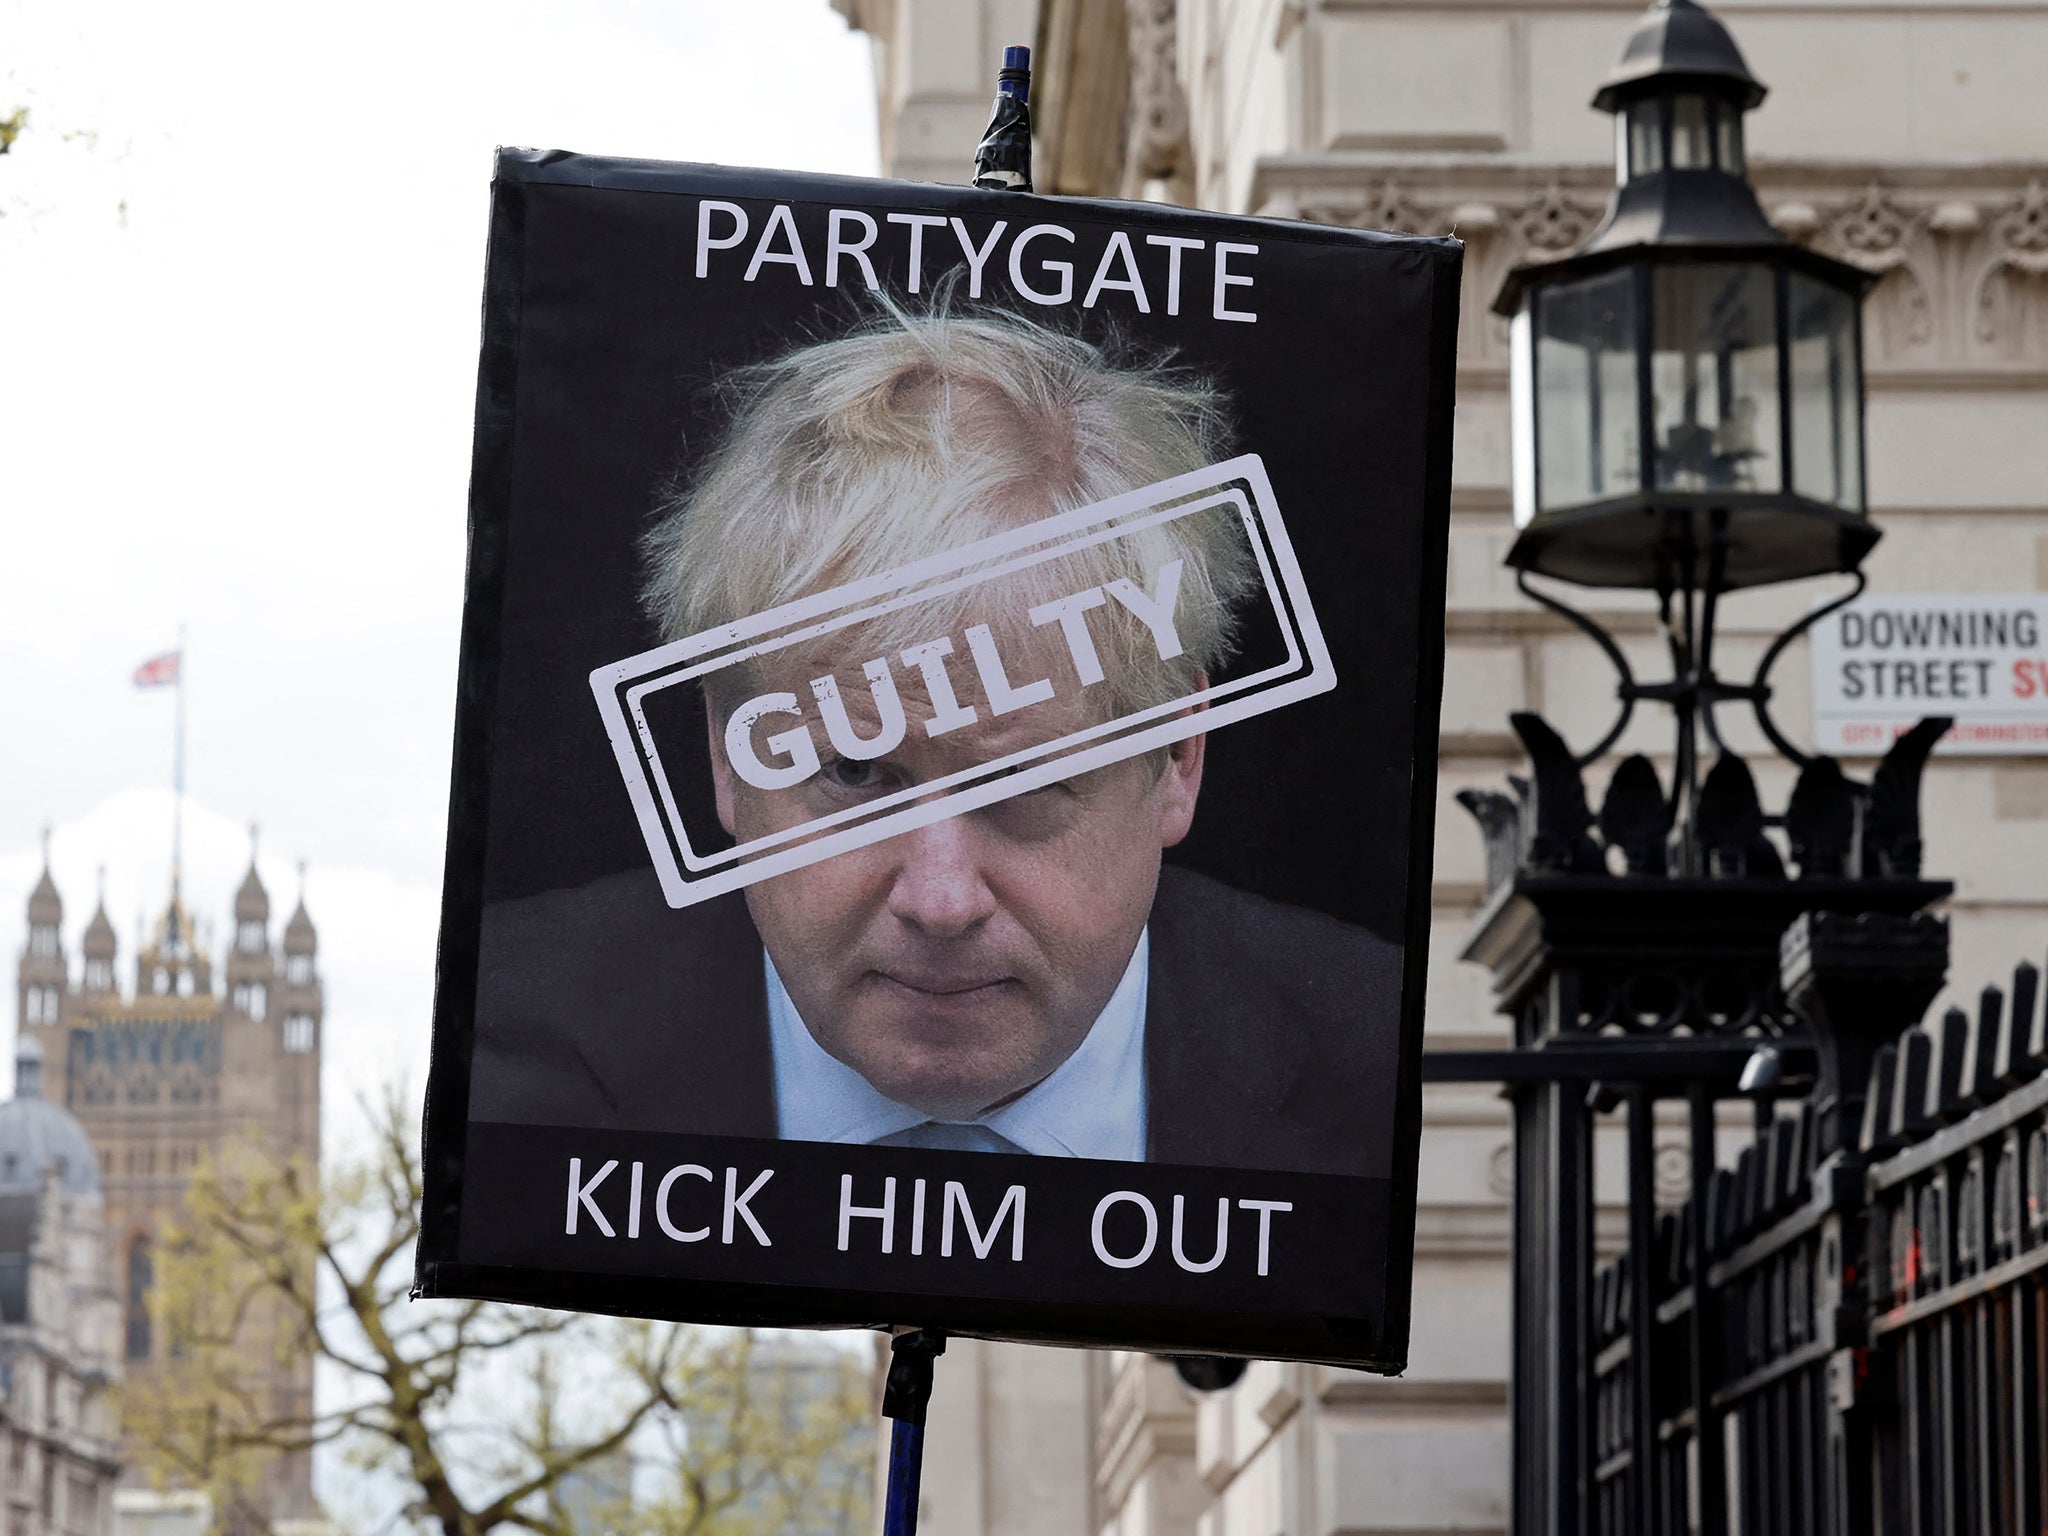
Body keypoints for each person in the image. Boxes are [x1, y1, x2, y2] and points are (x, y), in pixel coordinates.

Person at [468, 308, 1402, 1178]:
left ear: (1179, 760)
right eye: (859, 773)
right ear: (727, 758)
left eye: (1031, 783)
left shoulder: (1374, 1061)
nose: (942, 901)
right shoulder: (502, 1047)